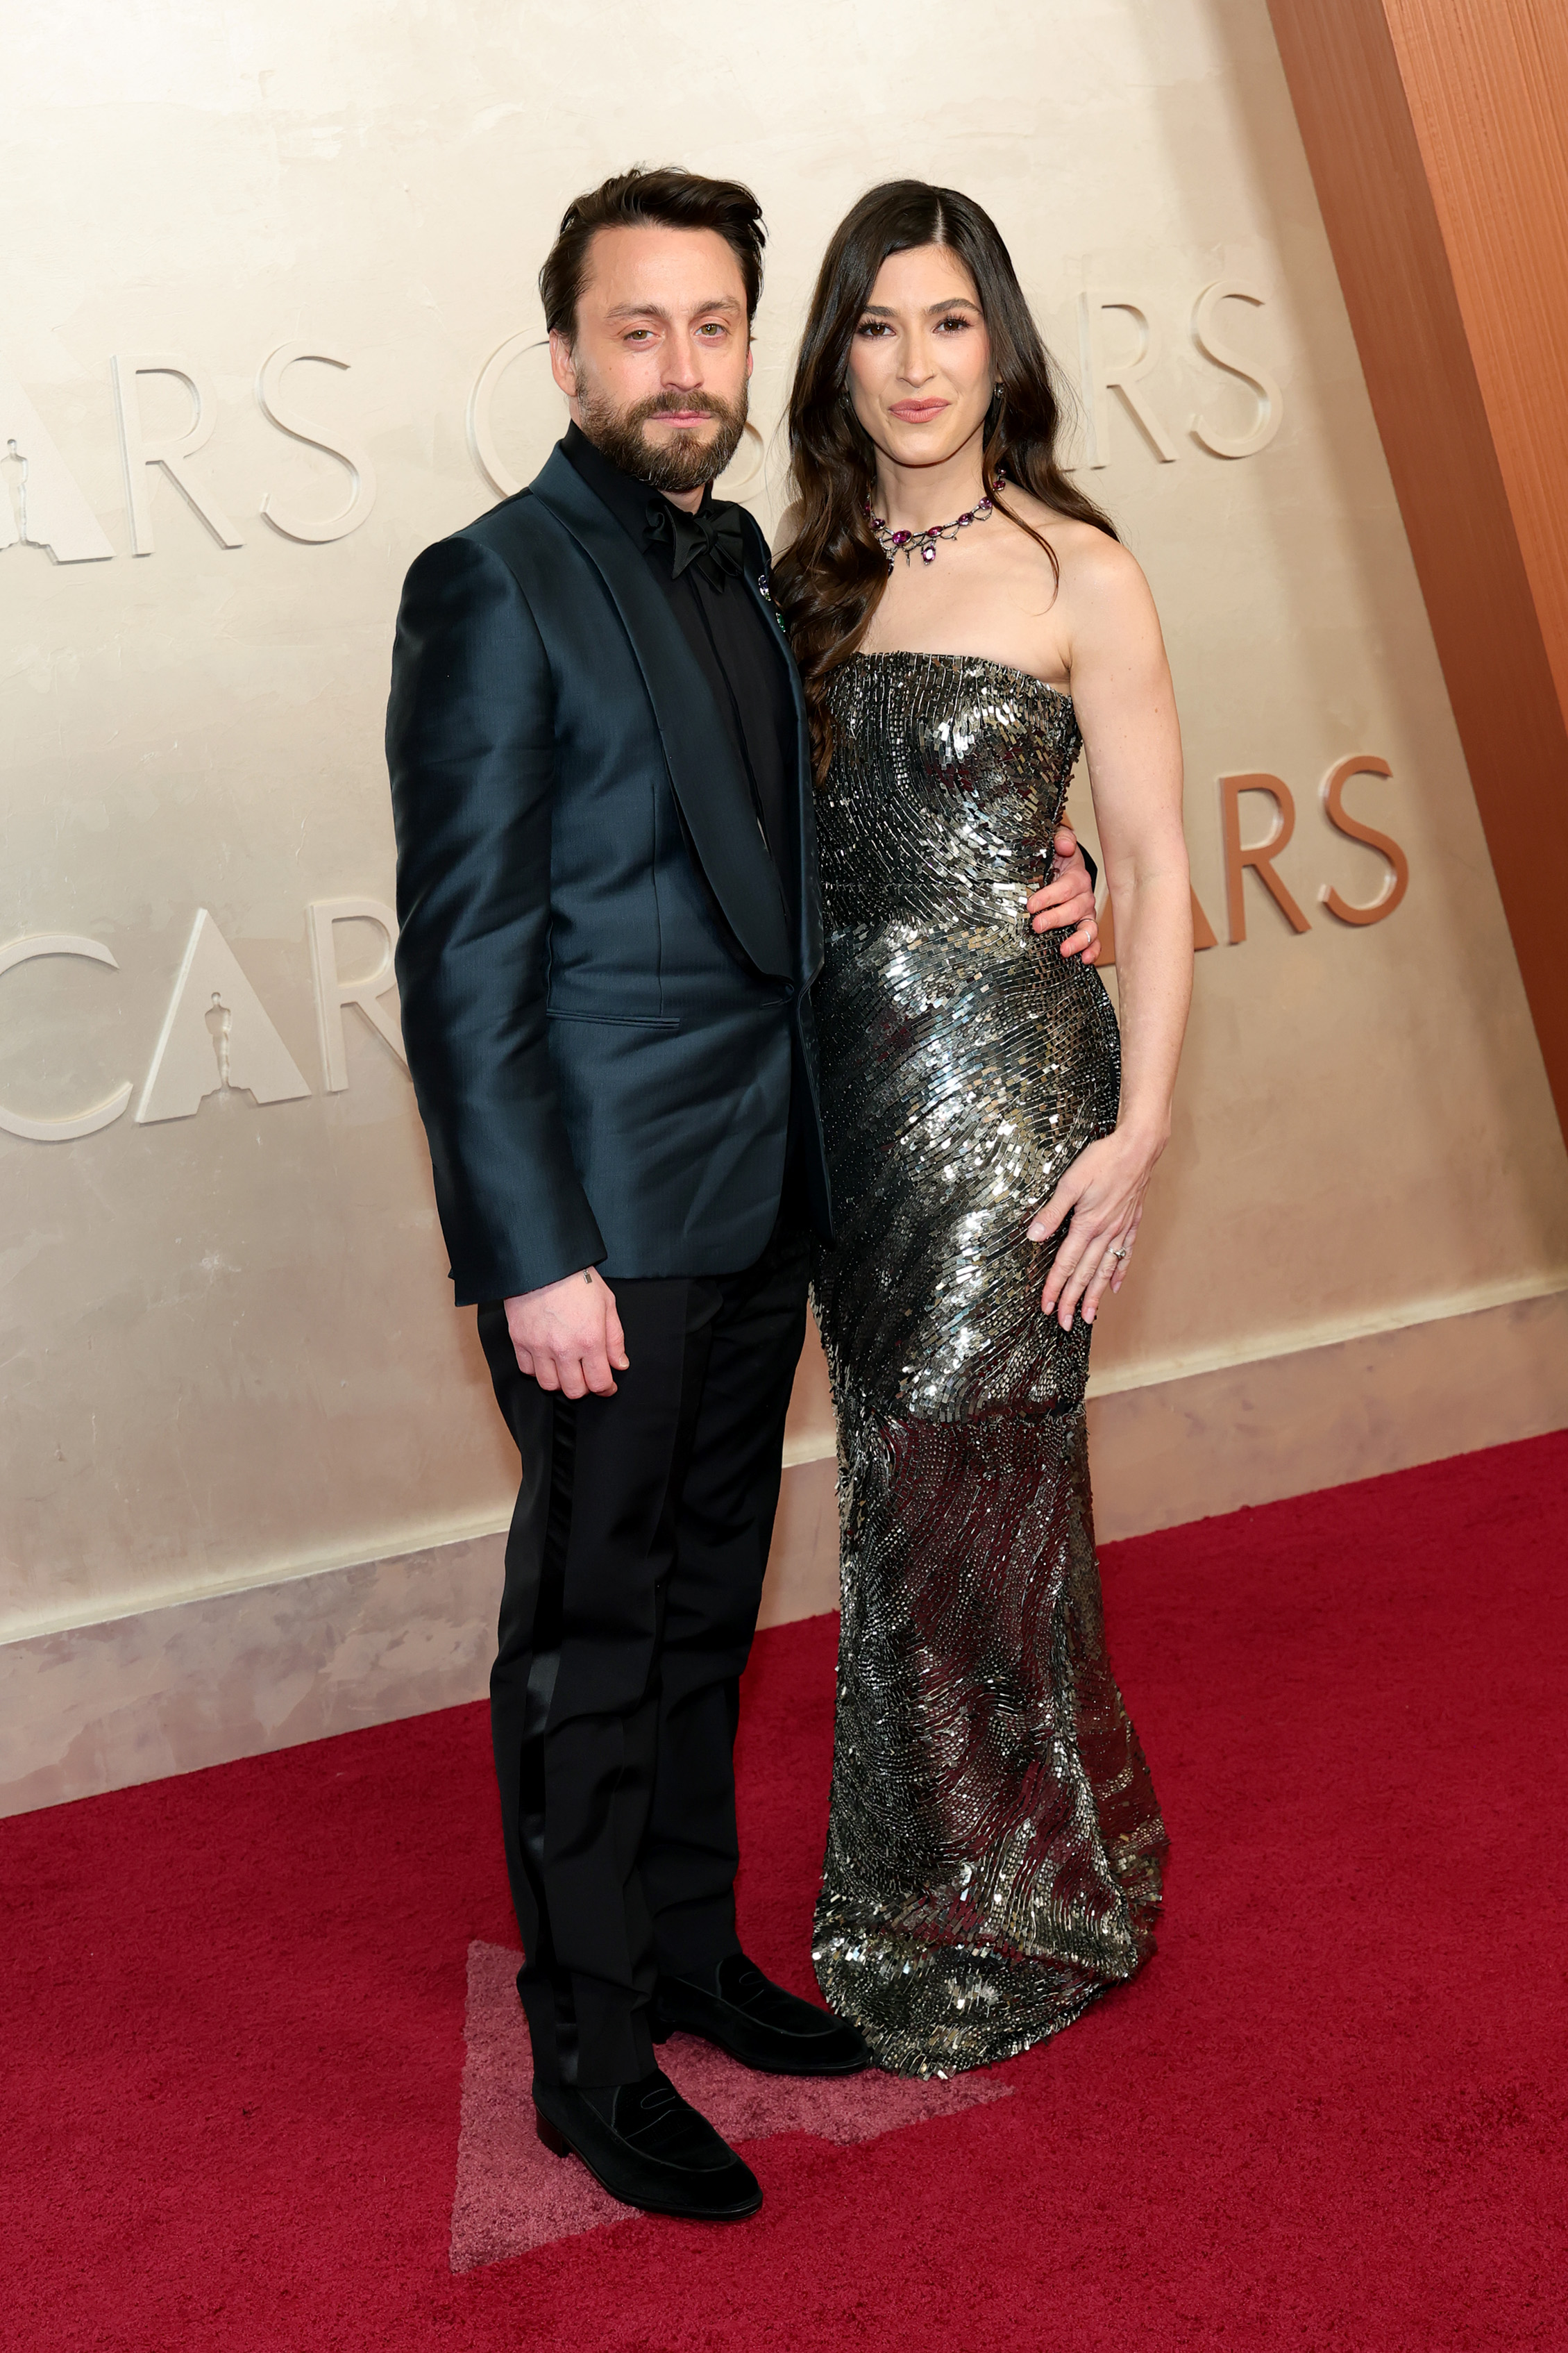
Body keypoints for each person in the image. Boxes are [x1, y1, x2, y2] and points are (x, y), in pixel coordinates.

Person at [387, 165, 1108, 2210]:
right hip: (602, 1244)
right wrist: (532, 1252)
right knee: (589, 1643)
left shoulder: (759, 572)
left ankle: (690, 1955)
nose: (681, 364)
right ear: (565, 356)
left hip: (764, 1202)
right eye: (639, 328)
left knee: (708, 1621)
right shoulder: (495, 582)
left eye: (714, 325)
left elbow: (884, 834)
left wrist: (1083, 869)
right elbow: (464, 961)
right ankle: (589, 2048)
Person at [773, 181, 1192, 2077]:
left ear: (997, 343)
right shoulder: (805, 569)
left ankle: (1029, 1895)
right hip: (840, 1104)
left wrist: (1143, 1128)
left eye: (947, 324)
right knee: (895, 1478)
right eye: (876, 328)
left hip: (1016, 1092)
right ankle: (953, 1867)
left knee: (971, 1468)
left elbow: (1165, 869)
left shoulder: (1075, 567)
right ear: (834, 358)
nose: (915, 365)